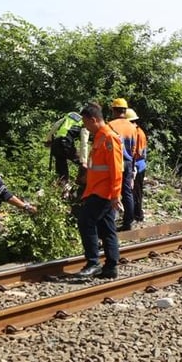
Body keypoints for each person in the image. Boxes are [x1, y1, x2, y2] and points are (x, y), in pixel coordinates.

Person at [75, 102, 123, 279]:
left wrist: (116, 195)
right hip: (97, 190)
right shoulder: (100, 137)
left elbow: (116, 169)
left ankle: (93, 263)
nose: (85, 127)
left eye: (86, 123)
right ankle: (110, 267)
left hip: (103, 192)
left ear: (93, 120)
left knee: (85, 221)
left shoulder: (109, 137)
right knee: (106, 227)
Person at [107, 99, 138, 230]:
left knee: (112, 191)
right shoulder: (132, 127)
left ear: (114, 110)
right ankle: (128, 222)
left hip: (115, 161)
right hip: (128, 162)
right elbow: (134, 149)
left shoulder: (110, 125)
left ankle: (110, 222)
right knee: (127, 192)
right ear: (125, 111)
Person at [46, 111, 89, 183]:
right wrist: (84, 161)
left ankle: (64, 185)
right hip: (66, 143)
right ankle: (83, 181)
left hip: (56, 143)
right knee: (83, 162)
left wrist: (49, 139)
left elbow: (56, 125)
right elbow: (84, 142)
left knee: (61, 167)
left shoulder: (71, 114)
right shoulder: (85, 122)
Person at [126, 108, 148, 224]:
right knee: (133, 192)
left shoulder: (138, 133)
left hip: (138, 166)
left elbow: (137, 153)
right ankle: (134, 214)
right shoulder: (135, 131)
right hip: (136, 165)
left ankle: (138, 215)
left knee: (136, 192)